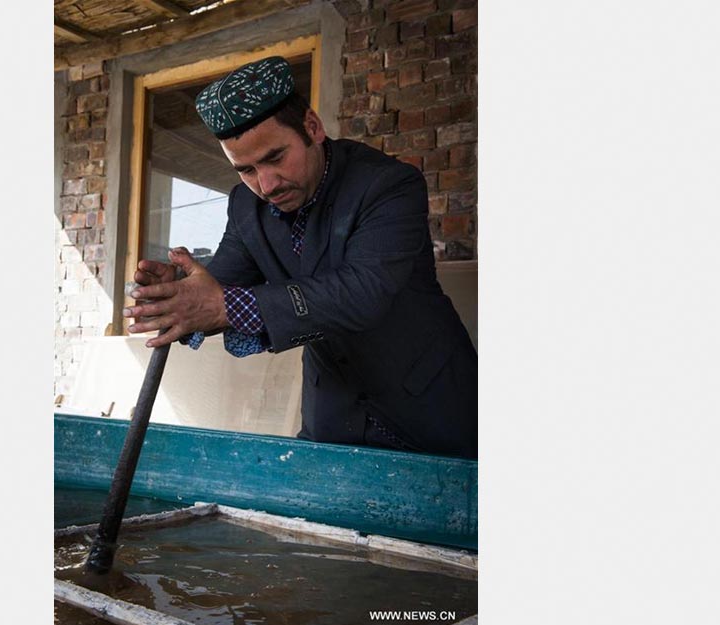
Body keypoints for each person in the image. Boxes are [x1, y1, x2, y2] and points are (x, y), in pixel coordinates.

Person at [123, 56, 477, 459]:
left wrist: (221, 304)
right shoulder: (245, 206)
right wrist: (180, 294)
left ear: (312, 127)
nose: (266, 185)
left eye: (275, 158)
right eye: (246, 170)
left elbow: (363, 293)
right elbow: (220, 289)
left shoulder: (388, 185)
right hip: (332, 416)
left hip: (431, 408)